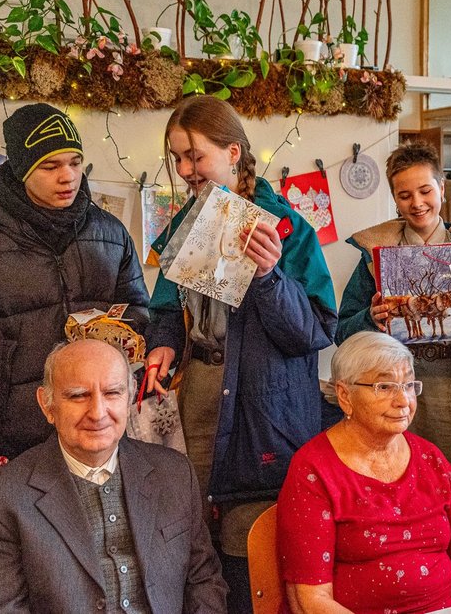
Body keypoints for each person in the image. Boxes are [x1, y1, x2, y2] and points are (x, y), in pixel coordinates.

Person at [0, 102, 149, 610]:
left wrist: (121, 339)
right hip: (9, 442)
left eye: (75, 162)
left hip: (96, 438)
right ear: (20, 169)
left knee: (89, 578)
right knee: (9, 581)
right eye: (50, 165)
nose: (67, 177)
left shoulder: (110, 234)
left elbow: (140, 315)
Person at [143, 95, 337, 612]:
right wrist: (163, 343)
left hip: (263, 410)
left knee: (248, 550)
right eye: (178, 158)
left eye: (195, 157)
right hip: (197, 400)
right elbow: (168, 308)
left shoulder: (287, 228)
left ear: (233, 152)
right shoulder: (188, 222)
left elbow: (313, 333)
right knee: (191, 537)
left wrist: (270, 277)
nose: (185, 170)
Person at [0, 340, 226, 612]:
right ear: (47, 405)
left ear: (130, 396)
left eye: (112, 393)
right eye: (78, 395)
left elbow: (204, 581)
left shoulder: (175, 474)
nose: (98, 413)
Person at [277, 332, 451, 614]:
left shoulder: (432, 459)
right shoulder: (313, 469)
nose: (403, 401)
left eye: (408, 385)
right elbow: (310, 600)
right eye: (385, 387)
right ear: (345, 395)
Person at [336, 142, 451, 475]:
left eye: (425, 191)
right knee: (393, 479)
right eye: (404, 195)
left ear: (442, 189)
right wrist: (370, 319)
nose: (417, 203)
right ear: (394, 198)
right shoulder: (375, 256)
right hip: (387, 395)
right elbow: (341, 332)